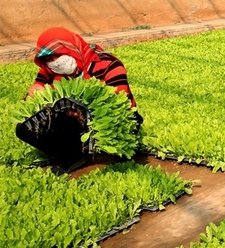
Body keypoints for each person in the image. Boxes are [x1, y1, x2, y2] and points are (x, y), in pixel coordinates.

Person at [18, 27, 141, 172]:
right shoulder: (50, 70)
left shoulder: (108, 64)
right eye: (48, 59)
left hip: (111, 119)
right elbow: (32, 94)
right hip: (72, 121)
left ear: (71, 47)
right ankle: (71, 155)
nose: (54, 62)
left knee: (113, 144)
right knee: (24, 129)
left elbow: (119, 101)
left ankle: (87, 151)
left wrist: (83, 113)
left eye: (57, 55)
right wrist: (35, 91)